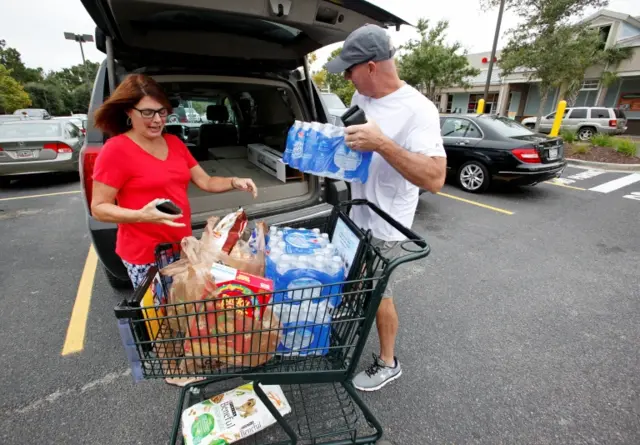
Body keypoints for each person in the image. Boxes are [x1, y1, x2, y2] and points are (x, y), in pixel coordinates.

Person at [325, 24, 447, 391]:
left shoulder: (419, 110)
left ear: (372, 66)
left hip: (387, 225)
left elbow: (436, 178)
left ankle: (388, 361)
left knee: (381, 296)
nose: (347, 78)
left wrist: (382, 144)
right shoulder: (363, 99)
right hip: (358, 213)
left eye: (350, 70)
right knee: (354, 282)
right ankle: (350, 325)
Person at [91, 74, 257, 288]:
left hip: (182, 247)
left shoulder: (174, 142)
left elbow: (205, 181)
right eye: (148, 112)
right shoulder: (115, 150)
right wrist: (141, 215)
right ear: (128, 111)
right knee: (157, 318)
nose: (158, 120)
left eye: (162, 111)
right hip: (145, 256)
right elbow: (99, 208)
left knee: (182, 310)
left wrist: (234, 181)